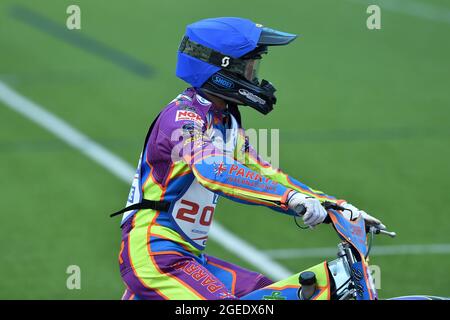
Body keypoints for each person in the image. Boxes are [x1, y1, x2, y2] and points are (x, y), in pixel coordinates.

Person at [113, 17, 384, 300]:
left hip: (188, 255)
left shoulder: (225, 119)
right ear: (221, 70)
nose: (256, 80)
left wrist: (337, 206)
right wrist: (289, 198)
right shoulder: (183, 117)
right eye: (249, 69)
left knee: (272, 293)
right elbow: (214, 170)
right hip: (156, 254)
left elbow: (265, 172)